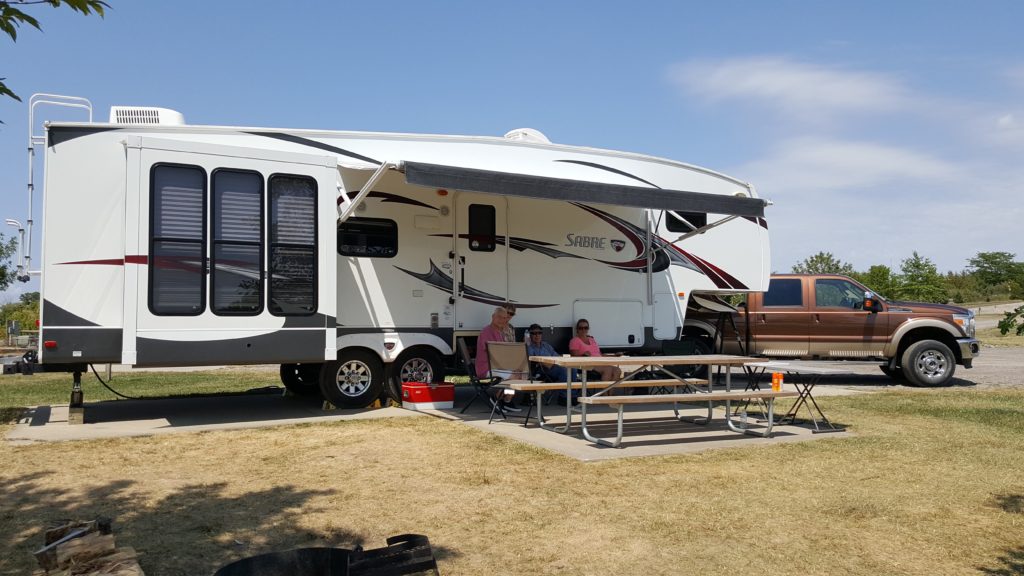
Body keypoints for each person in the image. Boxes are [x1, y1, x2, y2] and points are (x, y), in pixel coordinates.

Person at [475, 306, 522, 412]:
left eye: (505, 318)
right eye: (500, 317)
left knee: (521, 374)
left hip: (496, 365)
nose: (503, 320)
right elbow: (494, 354)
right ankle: (495, 399)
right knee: (513, 376)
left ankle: (507, 400)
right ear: (493, 317)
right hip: (486, 367)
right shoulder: (486, 332)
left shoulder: (499, 332)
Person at [526, 323, 579, 405]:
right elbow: (531, 360)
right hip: (542, 369)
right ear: (530, 335)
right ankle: (563, 397)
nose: (537, 335)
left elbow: (556, 356)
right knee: (563, 370)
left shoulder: (546, 345)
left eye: (539, 333)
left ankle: (573, 396)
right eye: (533, 333)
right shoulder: (529, 347)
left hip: (554, 365)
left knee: (573, 368)